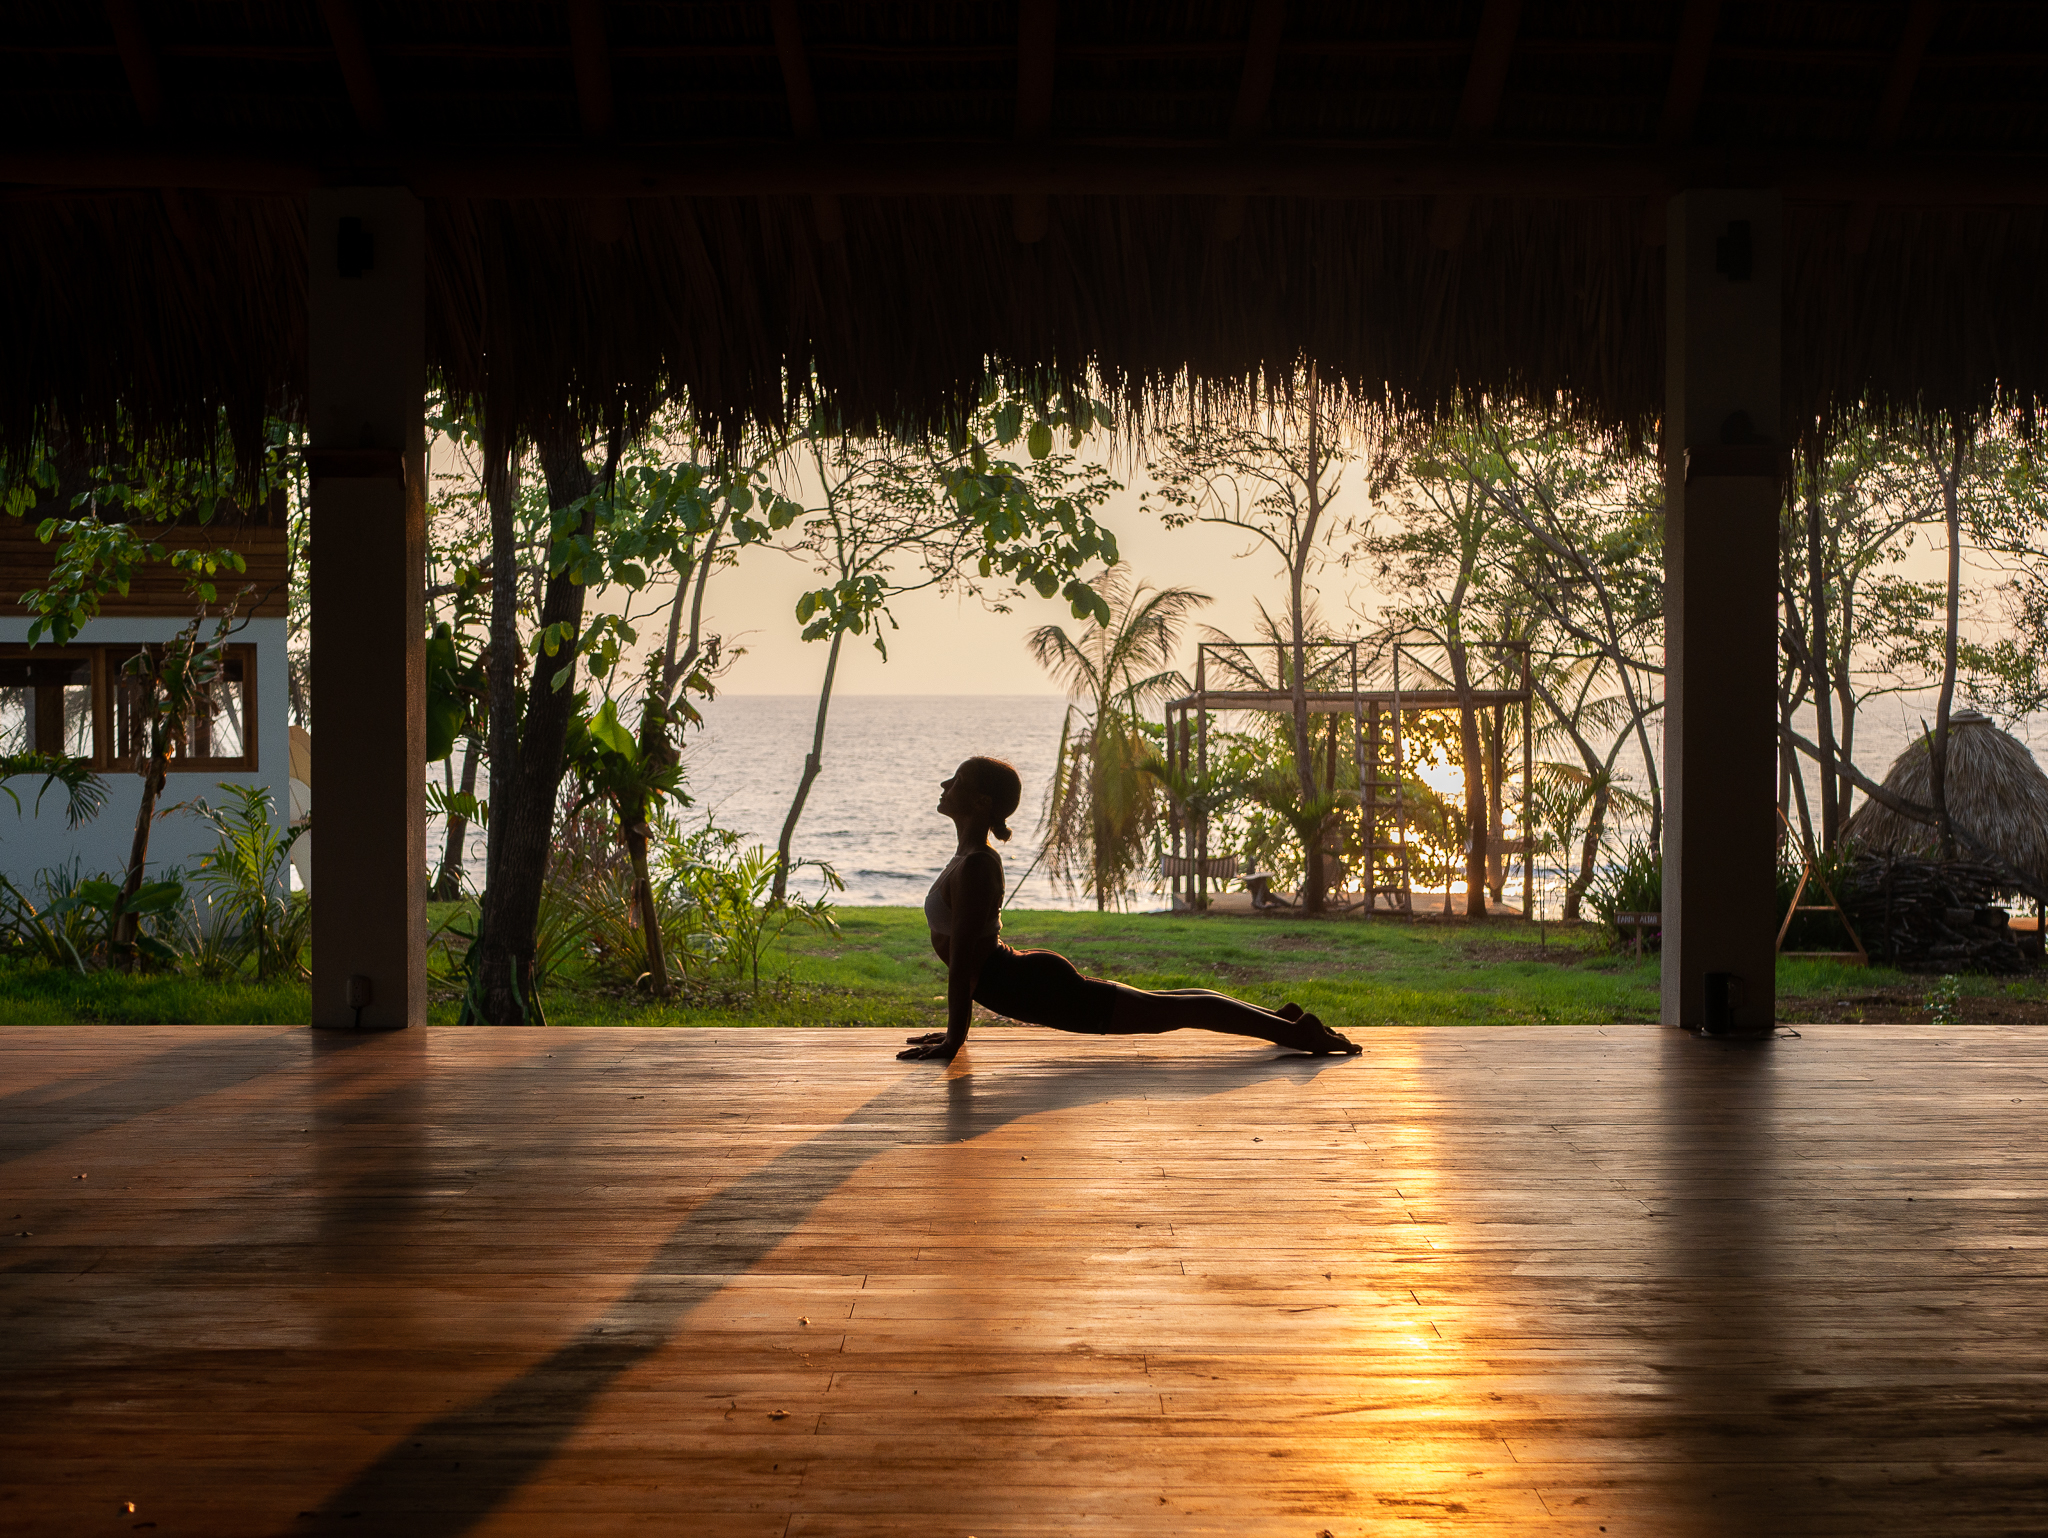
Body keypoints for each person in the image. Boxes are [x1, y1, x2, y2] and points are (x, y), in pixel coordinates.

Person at [900, 755, 1363, 1062]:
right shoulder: (967, 859)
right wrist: (951, 1035)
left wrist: (954, 1039)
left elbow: (963, 963)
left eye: (956, 781)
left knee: (1174, 1011)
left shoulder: (978, 865)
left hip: (1039, 990)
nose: (945, 785)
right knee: (1171, 1004)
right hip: (1028, 982)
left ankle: (1298, 1034)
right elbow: (969, 958)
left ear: (980, 801)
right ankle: (1277, 1019)